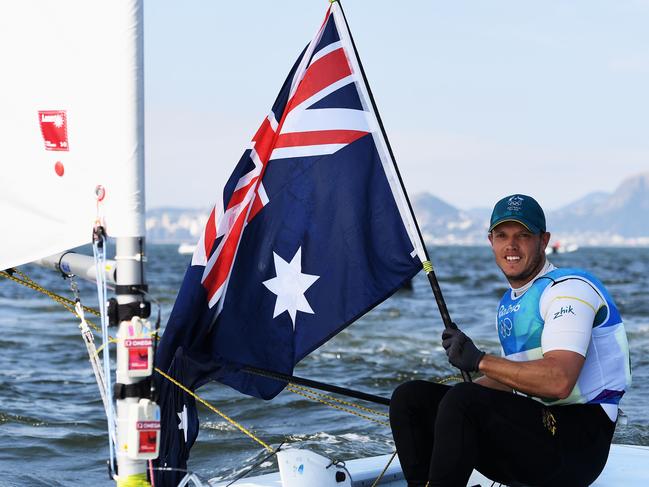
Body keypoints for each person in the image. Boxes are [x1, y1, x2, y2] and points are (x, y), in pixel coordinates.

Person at [389, 194, 631, 487]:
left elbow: (558, 381)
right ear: (491, 241)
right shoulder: (510, 302)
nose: (511, 246)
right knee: (411, 398)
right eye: (502, 235)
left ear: (544, 240)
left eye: (523, 235)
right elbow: (512, 379)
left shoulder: (569, 290)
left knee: (462, 400)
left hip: (579, 444)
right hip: (538, 431)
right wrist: (446, 408)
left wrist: (479, 361)